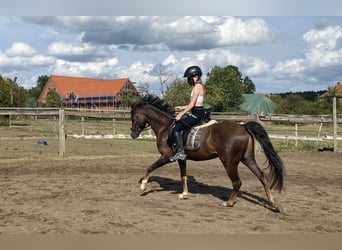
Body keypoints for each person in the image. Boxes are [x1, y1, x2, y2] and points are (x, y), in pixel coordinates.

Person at [170, 65, 206, 161]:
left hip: (197, 114)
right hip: (198, 111)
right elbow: (193, 104)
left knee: (177, 128)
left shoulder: (197, 87)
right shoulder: (198, 86)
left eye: (189, 78)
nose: (188, 80)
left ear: (196, 76)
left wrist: (180, 114)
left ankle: (180, 152)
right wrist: (181, 107)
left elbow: (191, 105)